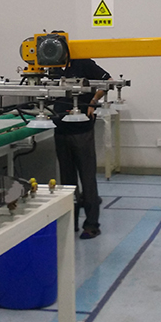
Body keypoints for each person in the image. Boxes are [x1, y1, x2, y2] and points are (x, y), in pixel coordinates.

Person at [49, 55, 111, 239]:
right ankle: (70, 222)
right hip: (60, 129)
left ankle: (91, 225)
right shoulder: (53, 68)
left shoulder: (83, 63)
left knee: (87, 177)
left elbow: (107, 81)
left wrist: (93, 102)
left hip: (81, 130)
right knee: (67, 181)